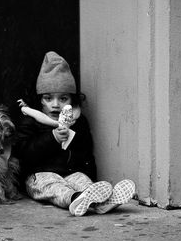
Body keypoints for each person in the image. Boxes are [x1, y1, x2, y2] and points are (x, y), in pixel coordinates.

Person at [15, 51, 135, 216]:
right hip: (40, 175)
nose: (55, 105)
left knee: (84, 181)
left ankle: (100, 202)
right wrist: (53, 138)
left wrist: (91, 177)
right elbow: (24, 154)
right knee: (55, 188)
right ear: (39, 100)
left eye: (63, 99)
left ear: (72, 100)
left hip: (71, 172)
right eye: (48, 98)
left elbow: (86, 154)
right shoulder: (31, 120)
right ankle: (76, 200)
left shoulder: (79, 122)